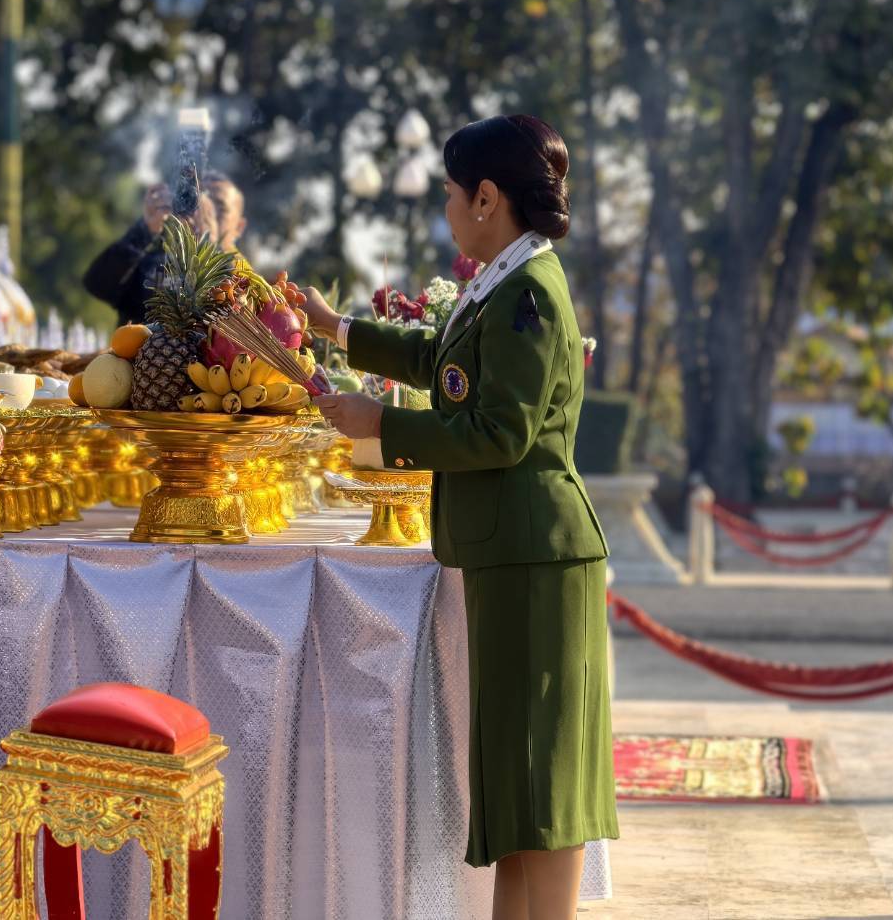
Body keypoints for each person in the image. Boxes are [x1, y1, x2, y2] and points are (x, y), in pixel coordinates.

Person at [304, 114, 618, 920]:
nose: (445, 209)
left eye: (450, 194)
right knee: (514, 777)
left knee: (544, 779)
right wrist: (337, 330)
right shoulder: (501, 282)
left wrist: (382, 425)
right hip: (511, 551)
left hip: (536, 555)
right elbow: (441, 363)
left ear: (487, 198)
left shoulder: (528, 295)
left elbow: (499, 433)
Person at [83, 184, 219, 326]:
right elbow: (97, 284)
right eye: (186, 216)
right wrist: (144, 229)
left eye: (204, 218)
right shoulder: (151, 267)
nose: (192, 223)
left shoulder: (225, 278)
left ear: (217, 227)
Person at [204, 173, 248, 253]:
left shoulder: (238, 262)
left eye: (220, 209)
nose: (206, 214)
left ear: (239, 227)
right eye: (201, 205)